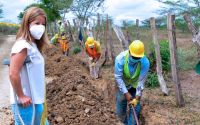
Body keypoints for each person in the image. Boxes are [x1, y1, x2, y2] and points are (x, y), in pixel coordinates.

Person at [9, 7, 49, 125]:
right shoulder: (22, 45)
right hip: (27, 103)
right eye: (37, 23)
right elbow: (13, 73)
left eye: (43, 24)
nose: (41, 27)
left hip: (37, 100)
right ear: (27, 24)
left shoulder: (33, 45)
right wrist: (21, 96)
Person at [114, 40, 150, 125]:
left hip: (135, 85)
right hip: (122, 84)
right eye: (134, 57)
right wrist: (125, 93)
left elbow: (141, 81)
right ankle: (122, 122)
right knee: (121, 104)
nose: (135, 59)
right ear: (129, 51)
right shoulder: (120, 59)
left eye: (138, 58)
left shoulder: (145, 62)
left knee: (135, 106)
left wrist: (137, 97)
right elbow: (118, 77)